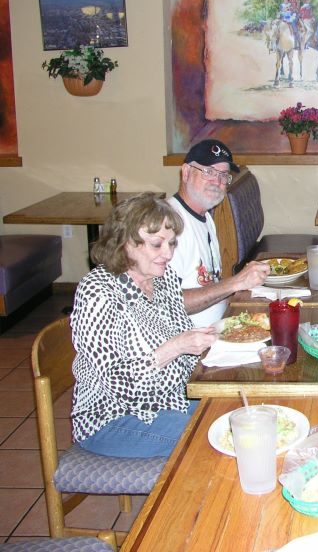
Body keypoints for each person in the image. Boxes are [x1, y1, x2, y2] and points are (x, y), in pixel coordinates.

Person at [70, 193, 218, 458]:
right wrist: (175, 347)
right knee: (215, 436)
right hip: (112, 419)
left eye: (172, 244)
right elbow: (120, 384)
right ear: (125, 243)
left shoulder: (164, 280)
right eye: (156, 244)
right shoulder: (98, 292)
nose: (169, 253)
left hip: (171, 401)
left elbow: (184, 359)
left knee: (235, 414)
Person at [168, 139, 271, 327]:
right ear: (186, 172)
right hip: (190, 348)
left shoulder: (206, 217)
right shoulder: (169, 225)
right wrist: (235, 283)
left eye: (223, 175)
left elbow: (209, 284)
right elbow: (168, 304)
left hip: (220, 329)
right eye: (208, 172)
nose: (217, 181)